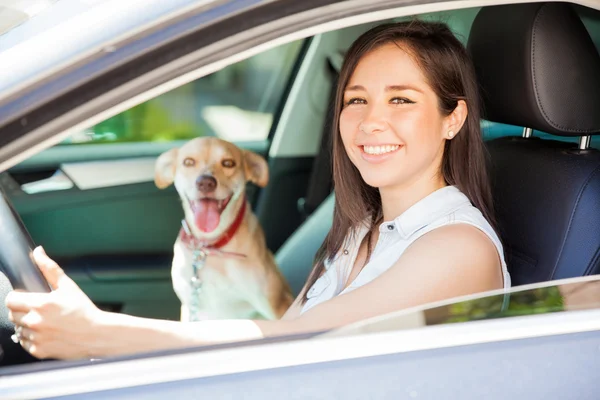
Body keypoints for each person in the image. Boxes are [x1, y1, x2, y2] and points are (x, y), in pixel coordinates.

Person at [5, 20, 510, 360]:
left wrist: (98, 334)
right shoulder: (358, 227)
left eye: (401, 99)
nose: (370, 122)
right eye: (356, 100)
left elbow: (293, 339)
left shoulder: (458, 246)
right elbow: (281, 343)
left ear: (454, 118)